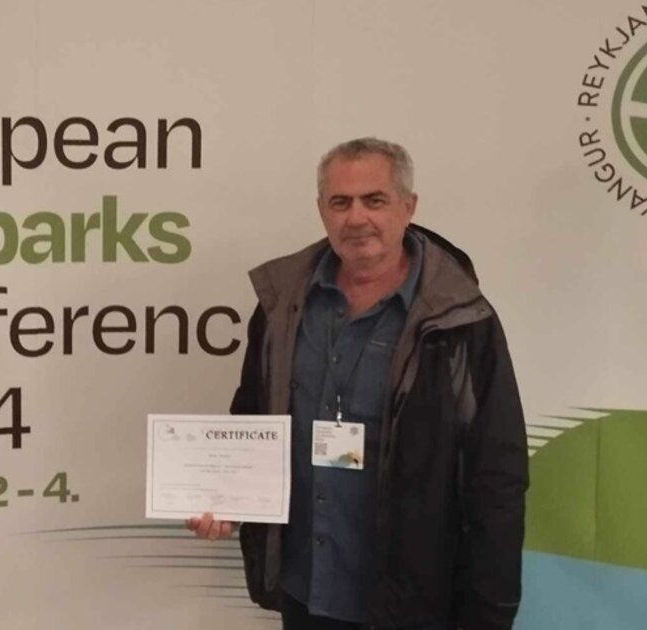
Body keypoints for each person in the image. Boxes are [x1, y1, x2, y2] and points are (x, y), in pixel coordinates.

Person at [187, 138, 527, 630]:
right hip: (307, 590)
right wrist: (230, 500)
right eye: (340, 202)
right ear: (321, 210)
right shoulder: (282, 305)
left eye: (375, 200)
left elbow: (496, 473)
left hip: (415, 601)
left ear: (408, 207)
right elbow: (252, 418)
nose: (356, 218)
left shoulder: (460, 319)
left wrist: (490, 613)